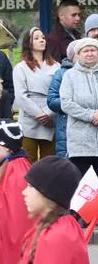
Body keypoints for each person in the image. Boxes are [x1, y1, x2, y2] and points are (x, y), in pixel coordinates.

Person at [12, 28, 58, 162]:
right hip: (29, 119)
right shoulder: (20, 68)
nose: (42, 40)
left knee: (49, 161)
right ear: (29, 42)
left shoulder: (56, 66)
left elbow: (61, 93)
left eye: (43, 37)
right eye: (36, 38)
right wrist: (39, 114)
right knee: (27, 159)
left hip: (50, 118)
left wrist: (48, 113)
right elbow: (20, 96)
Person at [58, 37, 98, 176]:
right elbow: (66, 103)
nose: (89, 53)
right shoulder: (70, 75)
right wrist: (91, 115)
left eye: (93, 50)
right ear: (79, 54)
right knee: (83, 188)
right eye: (85, 51)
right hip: (80, 144)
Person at [47, 41, 80, 158]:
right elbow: (51, 100)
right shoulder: (61, 73)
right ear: (72, 56)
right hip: (66, 128)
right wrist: (73, 104)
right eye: (79, 52)